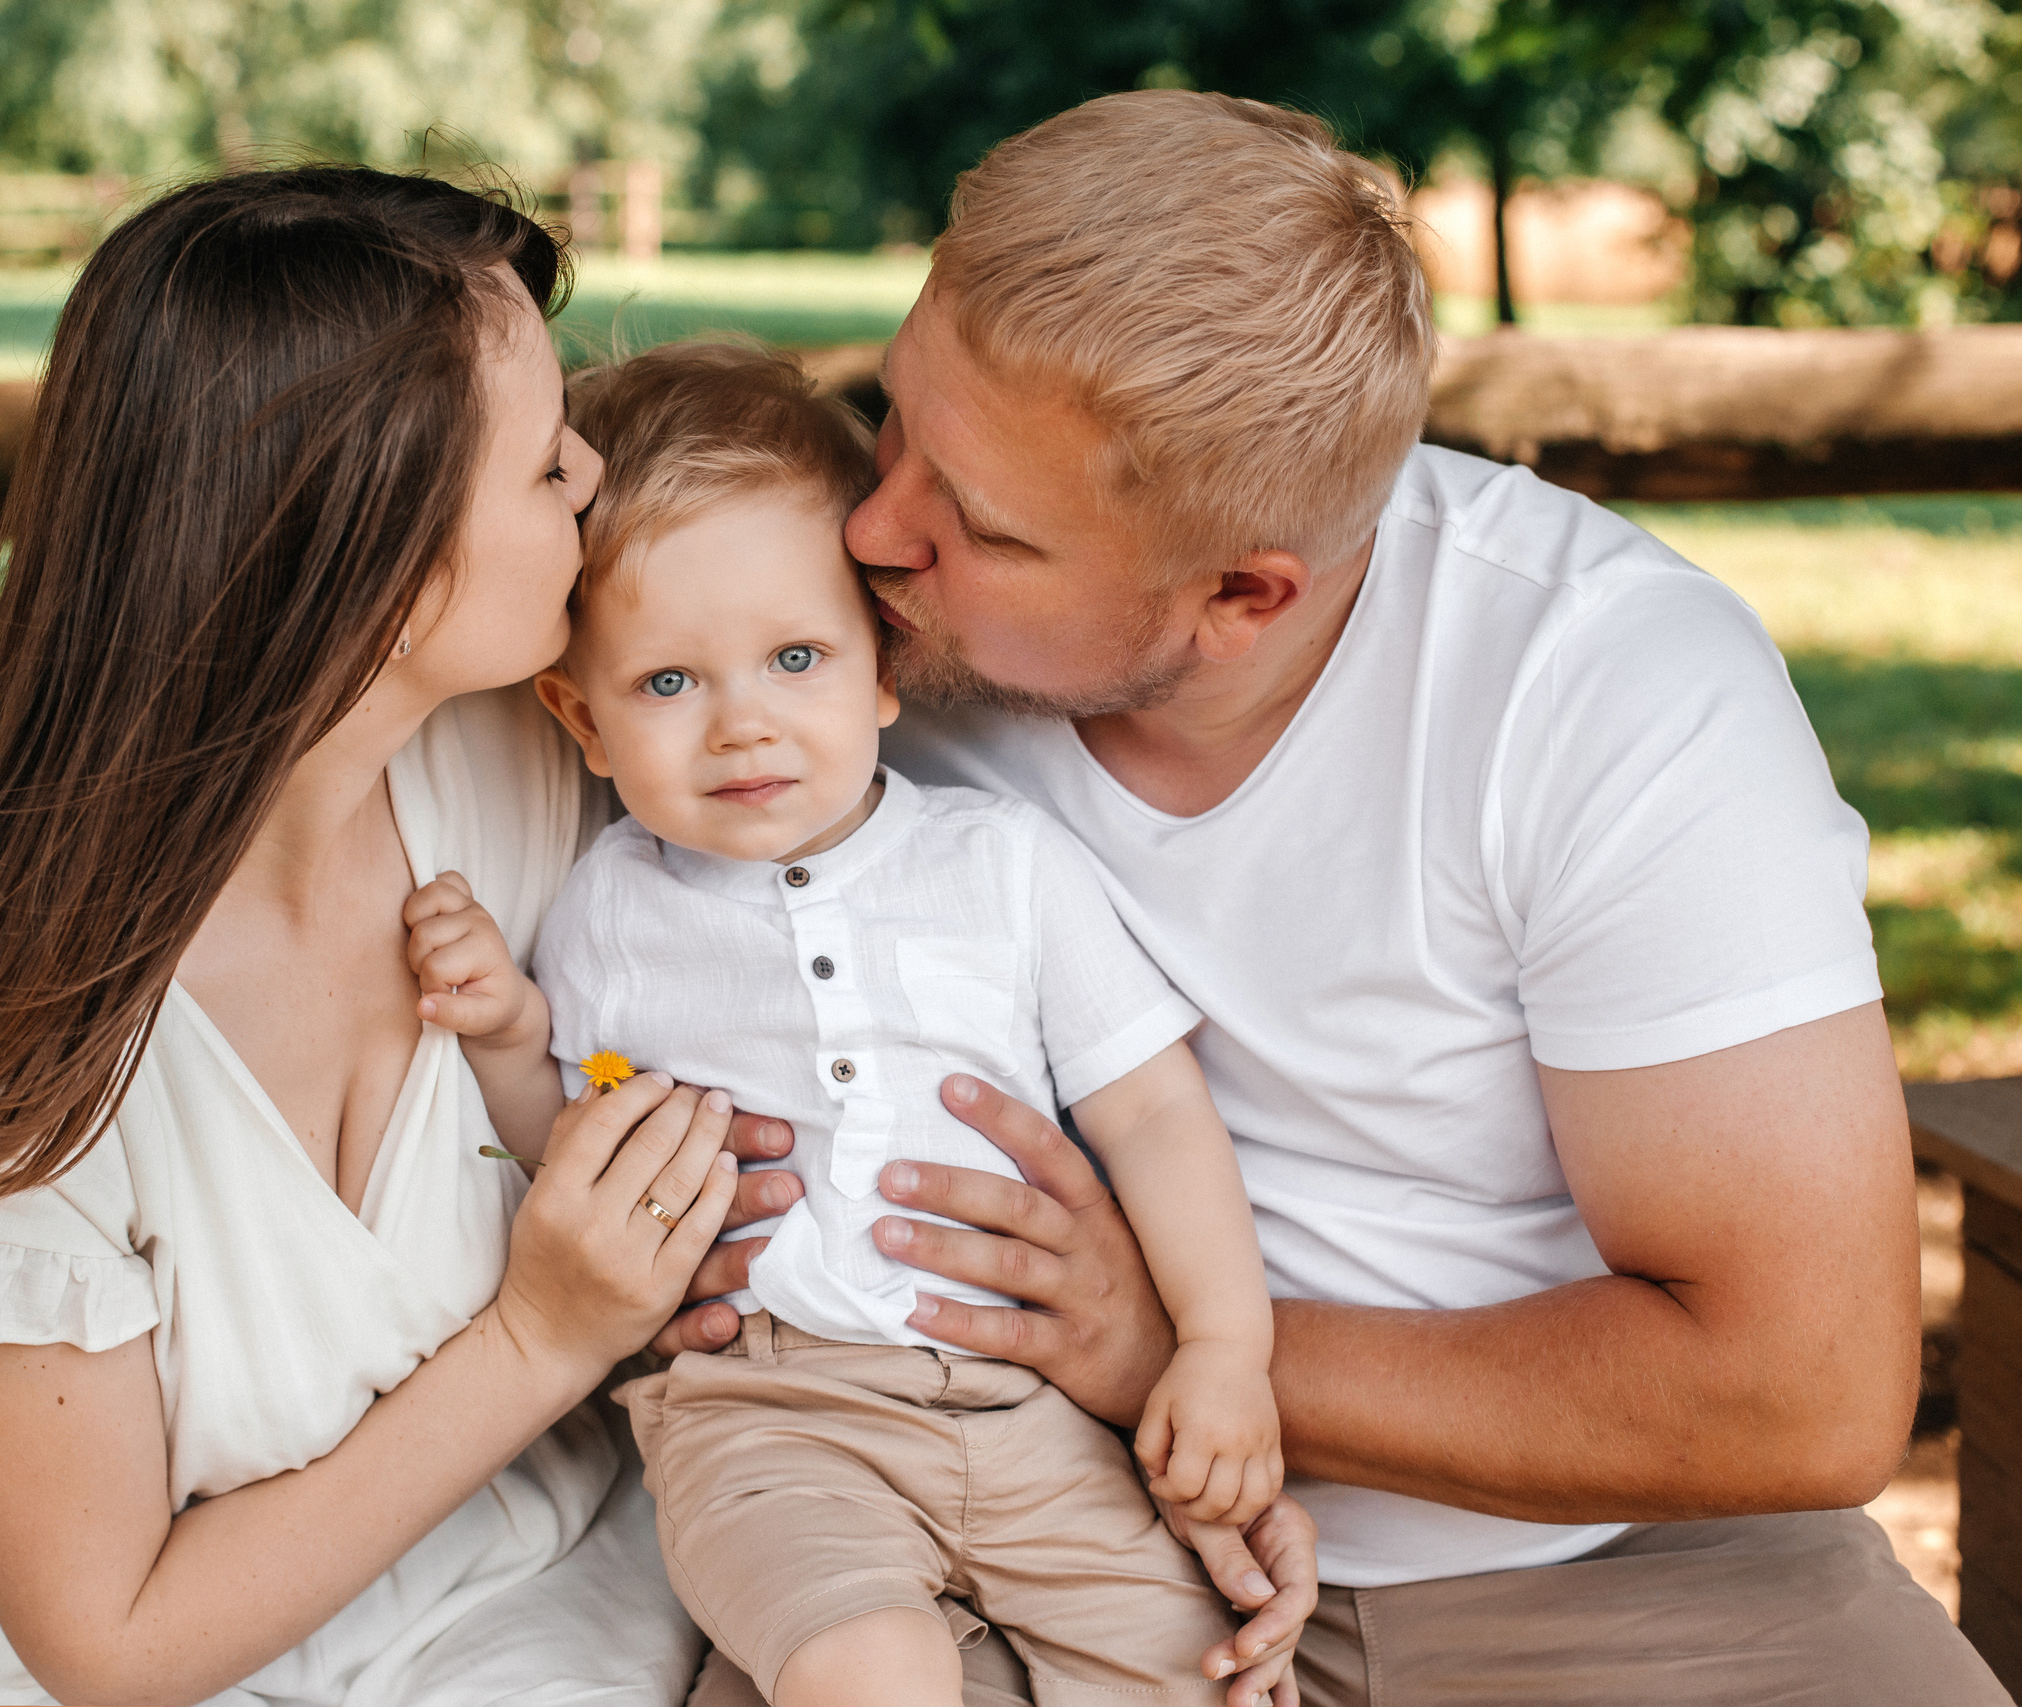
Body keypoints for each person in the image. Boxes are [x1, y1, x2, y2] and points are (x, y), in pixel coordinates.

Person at [644, 91, 2009, 1707]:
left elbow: (1802, 1391)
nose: (875, 533)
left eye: (985, 529)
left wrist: (1176, 1346)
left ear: (1243, 595)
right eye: (893, 415)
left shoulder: (1600, 687)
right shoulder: (812, 643)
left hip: (1591, 1563)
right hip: (987, 1523)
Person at [0, 165, 750, 1706]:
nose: (591, 472)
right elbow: (111, 1644)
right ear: (370, 562)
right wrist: (543, 1337)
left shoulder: (544, 769)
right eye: (539, 467)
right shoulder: (24, 1039)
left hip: (552, 1614)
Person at [405, 339, 1284, 1705]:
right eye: (669, 685)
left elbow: (1156, 1113)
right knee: (869, 1675)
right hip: (766, 1419)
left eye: (795, 658)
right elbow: (580, 1157)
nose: (742, 727)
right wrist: (511, 1036)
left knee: (1198, 1670)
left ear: (884, 668)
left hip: (1030, 1413)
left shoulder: (1003, 867)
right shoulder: (608, 913)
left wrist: (1225, 1350)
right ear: (583, 720)